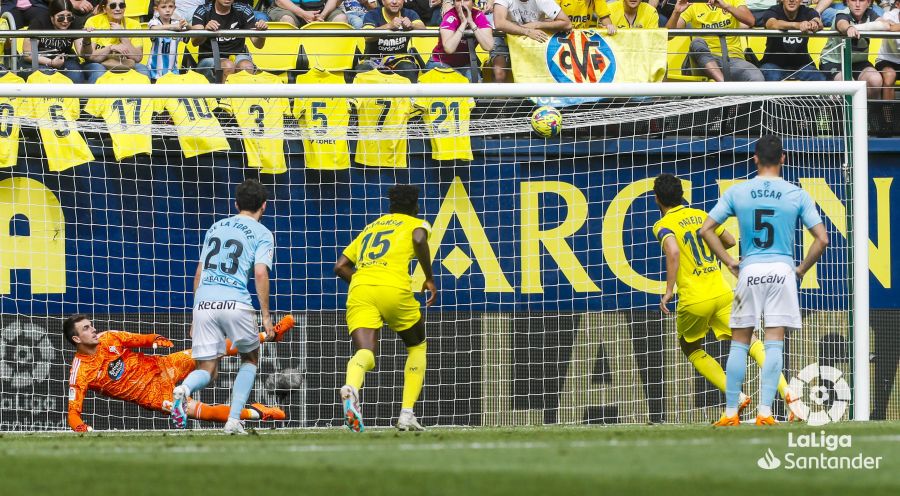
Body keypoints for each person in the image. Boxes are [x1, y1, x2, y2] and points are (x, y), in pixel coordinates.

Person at [699, 135, 829, 426]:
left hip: (750, 270)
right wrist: (801, 269)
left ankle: (731, 412)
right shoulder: (795, 193)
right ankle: (766, 412)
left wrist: (730, 261)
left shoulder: (739, 192)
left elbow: (706, 229)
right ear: (783, 158)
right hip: (782, 271)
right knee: (773, 344)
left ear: (755, 158)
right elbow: (822, 239)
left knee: (739, 344)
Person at [652, 174, 798, 423]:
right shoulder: (700, 215)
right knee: (751, 341)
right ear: (681, 195)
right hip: (721, 292)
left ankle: (737, 397)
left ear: (657, 199)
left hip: (694, 299)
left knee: (690, 347)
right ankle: (789, 393)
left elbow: (674, 250)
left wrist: (668, 290)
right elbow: (730, 240)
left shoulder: (662, 225)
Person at [64, 313, 294, 432]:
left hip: (163, 366)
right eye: (86, 328)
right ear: (76, 339)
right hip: (155, 396)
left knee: (213, 349)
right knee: (207, 414)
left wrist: (154, 340)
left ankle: (270, 335)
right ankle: (258, 413)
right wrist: (81, 428)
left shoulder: (108, 338)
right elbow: (73, 413)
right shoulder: (80, 372)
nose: (93, 329)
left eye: (91, 324)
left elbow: (139, 339)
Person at [171, 179, 276, 435]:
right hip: (235, 301)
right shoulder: (262, 233)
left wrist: (195, 316)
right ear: (264, 206)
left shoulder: (216, 227)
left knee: (206, 368)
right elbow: (260, 273)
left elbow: (199, 273)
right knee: (250, 358)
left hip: (204, 302)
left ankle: (182, 390)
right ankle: (232, 421)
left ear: (236, 204)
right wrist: (265, 315)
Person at [334, 185, 437, 432]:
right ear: (415, 206)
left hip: (360, 289)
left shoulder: (372, 227)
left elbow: (340, 266)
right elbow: (419, 238)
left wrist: (364, 281)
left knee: (366, 353)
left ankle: (351, 388)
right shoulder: (416, 223)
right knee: (417, 345)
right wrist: (429, 277)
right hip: (393, 288)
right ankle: (406, 414)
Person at [666, 0, 764, 82]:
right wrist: (676, 12)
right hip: (702, 61)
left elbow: (750, 21)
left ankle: (732, 97)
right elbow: (669, 35)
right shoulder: (693, 4)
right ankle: (725, 87)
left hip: (733, 59)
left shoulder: (732, 1)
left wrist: (725, 6)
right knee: (696, 42)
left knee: (756, 78)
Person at [819, 0, 900, 99]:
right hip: (834, 62)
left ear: (869, 3)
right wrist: (848, 28)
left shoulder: (870, 14)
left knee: (875, 80)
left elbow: (885, 25)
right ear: (847, 2)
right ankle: (849, 114)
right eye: (853, 0)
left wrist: (857, 28)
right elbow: (842, 24)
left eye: (861, 0)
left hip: (859, 62)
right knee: (849, 86)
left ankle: (870, 113)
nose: (857, 4)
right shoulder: (842, 14)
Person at [490, 0, 572, 83]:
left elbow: (567, 24)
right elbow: (499, 23)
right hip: (503, 37)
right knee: (499, 74)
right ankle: (498, 95)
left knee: (533, 75)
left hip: (530, 40)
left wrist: (537, 24)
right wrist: (527, 31)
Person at [191, 0, 268, 83]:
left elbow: (258, 45)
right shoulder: (203, 10)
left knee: (247, 66)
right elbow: (194, 42)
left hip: (238, 55)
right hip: (209, 58)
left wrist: (261, 33)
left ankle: (243, 95)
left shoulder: (244, 9)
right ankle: (222, 96)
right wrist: (205, 31)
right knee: (228, 66)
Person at [82, 0, 151, 85]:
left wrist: (122, 34)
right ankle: (95, 98)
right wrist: (111, 47)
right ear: (104, 8)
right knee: (98, 71)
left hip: (124, 63)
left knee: (143, 70)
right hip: (99, 63)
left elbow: (137, 58)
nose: (118, 9)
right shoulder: (93, 21)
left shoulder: (134, 24)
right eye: (113, 6)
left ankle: (143, 98)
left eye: (122, 5)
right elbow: (91, 57)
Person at [356, 0, 426, 83]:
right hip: (372, 60)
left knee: (408, 68)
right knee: (363, 69)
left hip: (399, 59)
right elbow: (367, 36)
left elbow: (423, 31)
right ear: (383, 1)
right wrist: (389, 26)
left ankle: (410, 96)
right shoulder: (372, 14)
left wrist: (412, 25)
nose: (394, 2)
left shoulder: (409, 13)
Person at [756, 0, 826, 82]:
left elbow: (818, 22)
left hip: (802, 66)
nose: (791, 0)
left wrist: (814, 23)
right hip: (773, 65)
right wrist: (797, 25)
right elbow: (772, 24)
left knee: (818, 77)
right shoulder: (773, 11)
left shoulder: (808, 11)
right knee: (772, 76)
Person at [21, 0, 86, 84]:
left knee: (76, 75)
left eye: (69, 17)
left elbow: (82, 52)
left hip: (64, 59)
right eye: (61, 17)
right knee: (46, 75)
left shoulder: (74, 22)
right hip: (39, 59)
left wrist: (87, 38)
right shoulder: (39, 22)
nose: (66, 21)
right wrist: (51, 63)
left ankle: (74, 97)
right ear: (52, 17)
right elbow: (27, 55)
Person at [427, 0, 494, 81]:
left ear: (473, 3)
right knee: (456, 82)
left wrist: (472, 23)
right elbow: (449, 49)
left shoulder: (478, 15)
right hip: (440, 63)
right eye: (458, 0)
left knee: (478, 87)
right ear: (454, 3)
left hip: (464, 65)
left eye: (466, 0)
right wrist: (463, 24)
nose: (462, 4)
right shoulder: (450, 15)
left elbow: (489, 46)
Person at [148, 0, 189, 80]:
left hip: (173, 71)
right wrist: (173, 27)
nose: (167, 10)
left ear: (174, 8)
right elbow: (153, 29)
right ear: (156, 9)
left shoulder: (177, 23)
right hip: (155, 72)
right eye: (163, 7)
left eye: (170, 6)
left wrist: (187, 26)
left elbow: (186, 39)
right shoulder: (154, 22)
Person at [876, 0, 900, 100]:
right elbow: (888, 27)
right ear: (898, 4)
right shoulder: (888, 15)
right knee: (889, 76)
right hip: (886, 60)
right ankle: (888, 115)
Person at [267, 0, 346, 25]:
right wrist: (303, 14)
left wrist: (322, 15)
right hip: (289, 8)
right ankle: (290, 60)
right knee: (287, 20)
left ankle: (334, 60)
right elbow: (280, 1)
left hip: (322, 8)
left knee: (341, 19)